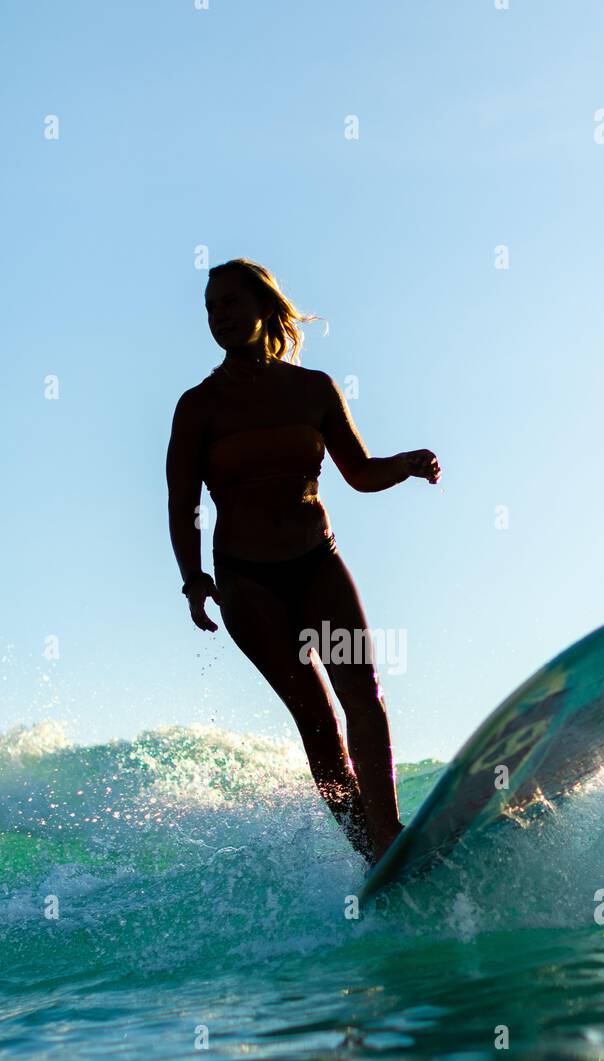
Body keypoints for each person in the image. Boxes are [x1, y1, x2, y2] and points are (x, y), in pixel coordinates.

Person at [166, 258, 440, 864]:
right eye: (211, 308)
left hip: (317, 565)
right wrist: (194, 582)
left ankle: (388, 829)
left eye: (231, 303)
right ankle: (369, 851)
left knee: (362, 694)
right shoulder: (198, 408)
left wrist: (407, 466)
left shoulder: (312, 389)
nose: (221, 317)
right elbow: (182, 503)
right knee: (316, 721)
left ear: (265, 306)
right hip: (249, 585)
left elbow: (360, 474)